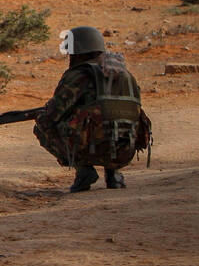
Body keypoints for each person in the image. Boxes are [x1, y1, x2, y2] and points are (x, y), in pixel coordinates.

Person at [33, 26, 152, 193]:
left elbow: (54, 114)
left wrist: (41, 116)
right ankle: (114, 173)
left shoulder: (79, 75)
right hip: (124, 150)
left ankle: (83, 170)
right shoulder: (124, 74)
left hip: (89, 149)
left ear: (79, 52)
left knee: (42, 126)